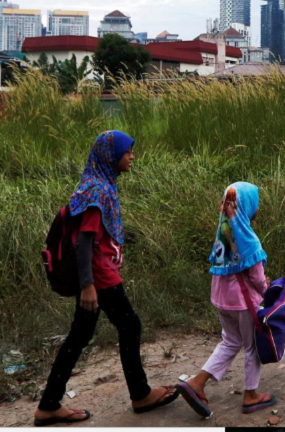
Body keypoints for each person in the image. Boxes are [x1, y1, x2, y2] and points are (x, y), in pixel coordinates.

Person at [34, 131, 178, 427]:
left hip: (97, 275)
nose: (132, 156)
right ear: (110, 156)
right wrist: (87, 286)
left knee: (81, 335)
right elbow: (83, 242)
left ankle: (49, 405)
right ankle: (140, 395)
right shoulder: (98, 190)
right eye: (127, 152)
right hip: (99, 277)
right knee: (129, 324)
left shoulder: (97, 185)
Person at [177, 182, 275, 418]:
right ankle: (251, 395)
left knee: (230, 341)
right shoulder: (249, 240)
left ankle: (197, 382)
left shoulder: (222, 234)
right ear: (247, 207)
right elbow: (257, 277)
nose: (257, 208)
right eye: (255, 203)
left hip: (221, 297)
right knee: (251, 345)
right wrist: (267, 289)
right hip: (243, 302)